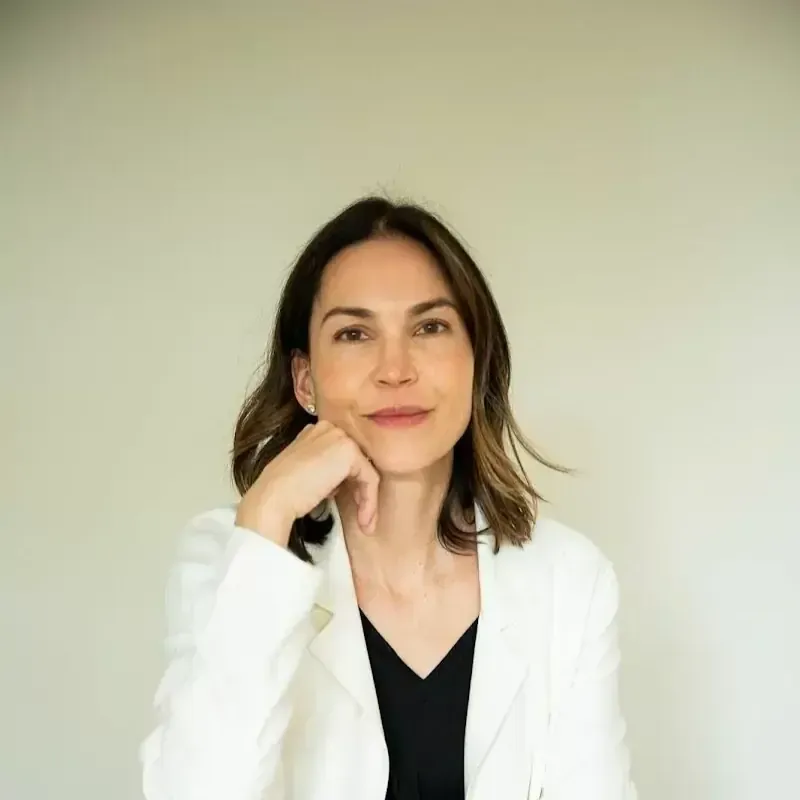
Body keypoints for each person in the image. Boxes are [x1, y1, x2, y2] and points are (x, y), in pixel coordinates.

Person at [140, 196, 637, 800]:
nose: (395, 369)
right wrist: (268, 515)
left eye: (429, 327)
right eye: (354, 333)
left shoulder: (570, 580)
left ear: (474, 362)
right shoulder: (230, 560)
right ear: (305, 380)